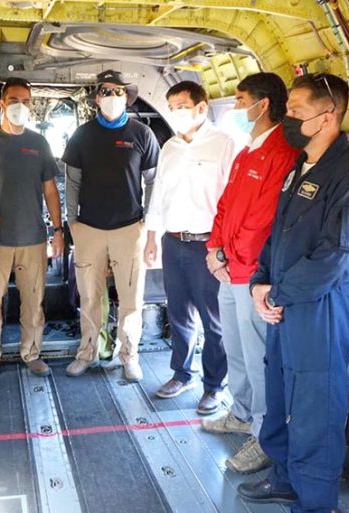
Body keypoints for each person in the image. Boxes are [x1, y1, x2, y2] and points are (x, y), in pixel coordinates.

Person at [238, 73, 349, 513]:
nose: (289, 118)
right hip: (283, 302)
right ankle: (284, 478)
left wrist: (276, 294)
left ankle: (316, 502)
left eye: (297, 111)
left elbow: (335, 254)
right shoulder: (301, 167)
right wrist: (260, 282)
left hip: (318, 310)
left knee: (315, 408)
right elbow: (277, 233)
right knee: (281, 394)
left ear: (327, 116)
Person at [203, 73, 299, 473]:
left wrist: (234, 259)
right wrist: (213, 248)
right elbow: (227, 204)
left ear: (264, 105)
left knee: (259, 356)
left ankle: (264, 435)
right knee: (237, 349)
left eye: (241, 101)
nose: (237, 109)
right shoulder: (247, 151)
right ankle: (241, 412)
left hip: (251, 272)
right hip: (229, 267)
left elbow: (263, 221)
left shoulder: (282, 153)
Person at [62, 69, 160, 381]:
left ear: (127, 97)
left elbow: (154, 181)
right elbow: (72, 182)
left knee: (131, 299)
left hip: (129, 228)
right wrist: (72, 221)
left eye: (118, 92)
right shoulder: (82, 135)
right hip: (88, 228)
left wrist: (148, 221)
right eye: (106, 91)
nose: (112, 97)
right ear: (96, 97)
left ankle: (128, 355)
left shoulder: (142, 134)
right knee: (90, 297)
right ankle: (87, 352)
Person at [143, 80, 234, 415]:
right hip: (173, 241)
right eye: (173, 108)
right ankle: (182, 374)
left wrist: (222, 248)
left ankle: (214, 386)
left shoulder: (224, 145)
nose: (178, 113)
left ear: (201, 107)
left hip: (207, 244)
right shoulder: (170, 148)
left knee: (214, 321)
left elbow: (231, 201)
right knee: (179, 313)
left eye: (183, 106)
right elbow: (158, 195)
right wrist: (152, 238)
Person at [0, 77, 63, 382]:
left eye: (26, 101)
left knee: (33, 302)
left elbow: (50, 190)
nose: (20, 106)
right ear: (1, 104)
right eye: (14, 100)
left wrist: (58, 230)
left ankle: (32, 354)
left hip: (33, 239)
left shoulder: (38, 143)